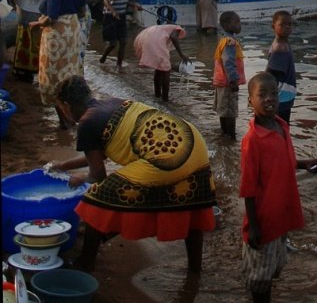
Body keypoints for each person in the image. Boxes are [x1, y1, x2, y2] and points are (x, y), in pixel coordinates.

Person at [51, 75, 216, 273]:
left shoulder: (87, 123)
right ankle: (195, 270)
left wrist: (79, 179)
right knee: (190, 202)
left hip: (168, 156)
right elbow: (97, 153)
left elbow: (97, 177)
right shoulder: (112, 103)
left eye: (61, 108)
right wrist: (63, 166)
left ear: (67, 106)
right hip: (193, 143)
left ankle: (85, 263)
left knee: (97, 199)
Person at [240, 72, 317, 303]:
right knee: (261, 279)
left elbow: (282, 162)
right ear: (251, 101)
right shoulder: (253, 140)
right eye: (262, 95)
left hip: (281, 213)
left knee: (273, 266)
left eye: (273, 93)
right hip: (264, 218)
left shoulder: (280, 126)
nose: (269, 99)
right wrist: (254, 226)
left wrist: (304, 164)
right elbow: (248, 188)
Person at [30, 0, 86, 127]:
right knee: (69, 71)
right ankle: (72, 115)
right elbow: (82, 10)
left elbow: (52, 15)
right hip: (73, 29)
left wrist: (37, 23)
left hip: (57, 32)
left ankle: (65, 120)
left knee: (53, 75)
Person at [134, 23, 191, 103]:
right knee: (165, 71)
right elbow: (174, 37)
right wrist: (182, 55)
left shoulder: (164, 28)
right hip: (153, 39)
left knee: (159, 68)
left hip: (143, 37)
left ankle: (157, 95)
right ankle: (165, 99)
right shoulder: (177, 28)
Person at [213, 11, 246, 139]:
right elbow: (228, 62)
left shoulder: (224, 39)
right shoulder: (229, 42)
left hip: (221, 80)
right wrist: (233, 80)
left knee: (224, 110)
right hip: (228, 82)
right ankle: (231, 137)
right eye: (236, 22)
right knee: (231, 112)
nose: (239, 25)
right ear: (226, 25)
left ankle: (224, 133)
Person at [99, 0, 136, 71]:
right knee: (113, 43)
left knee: (123, 41)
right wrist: (113, 11)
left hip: (121, 16)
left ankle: (119, 65)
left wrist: (134, 4)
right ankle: (104, 56)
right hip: (110, 16)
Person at [266, 10, 296, 124]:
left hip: (283, 97)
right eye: (282, 24)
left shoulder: (282, 44)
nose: (287, 27)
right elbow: (270, 75)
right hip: (281, 98)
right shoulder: (280, 48)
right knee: (281, 128)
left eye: (289, 24)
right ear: (273, 26)